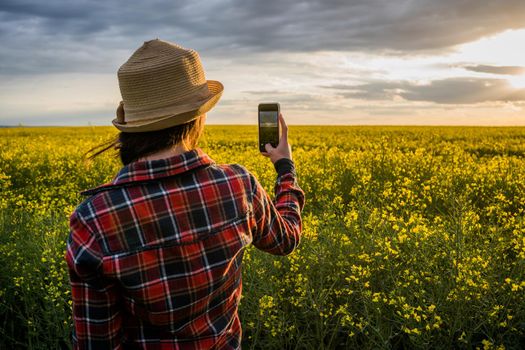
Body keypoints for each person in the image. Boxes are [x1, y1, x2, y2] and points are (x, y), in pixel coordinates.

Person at [65, 38, 305, 349]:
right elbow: (286, 238)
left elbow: (96, 344)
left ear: (132, 125)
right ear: (198, 117)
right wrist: (285, 168)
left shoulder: (95, 219)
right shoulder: (239, 186)